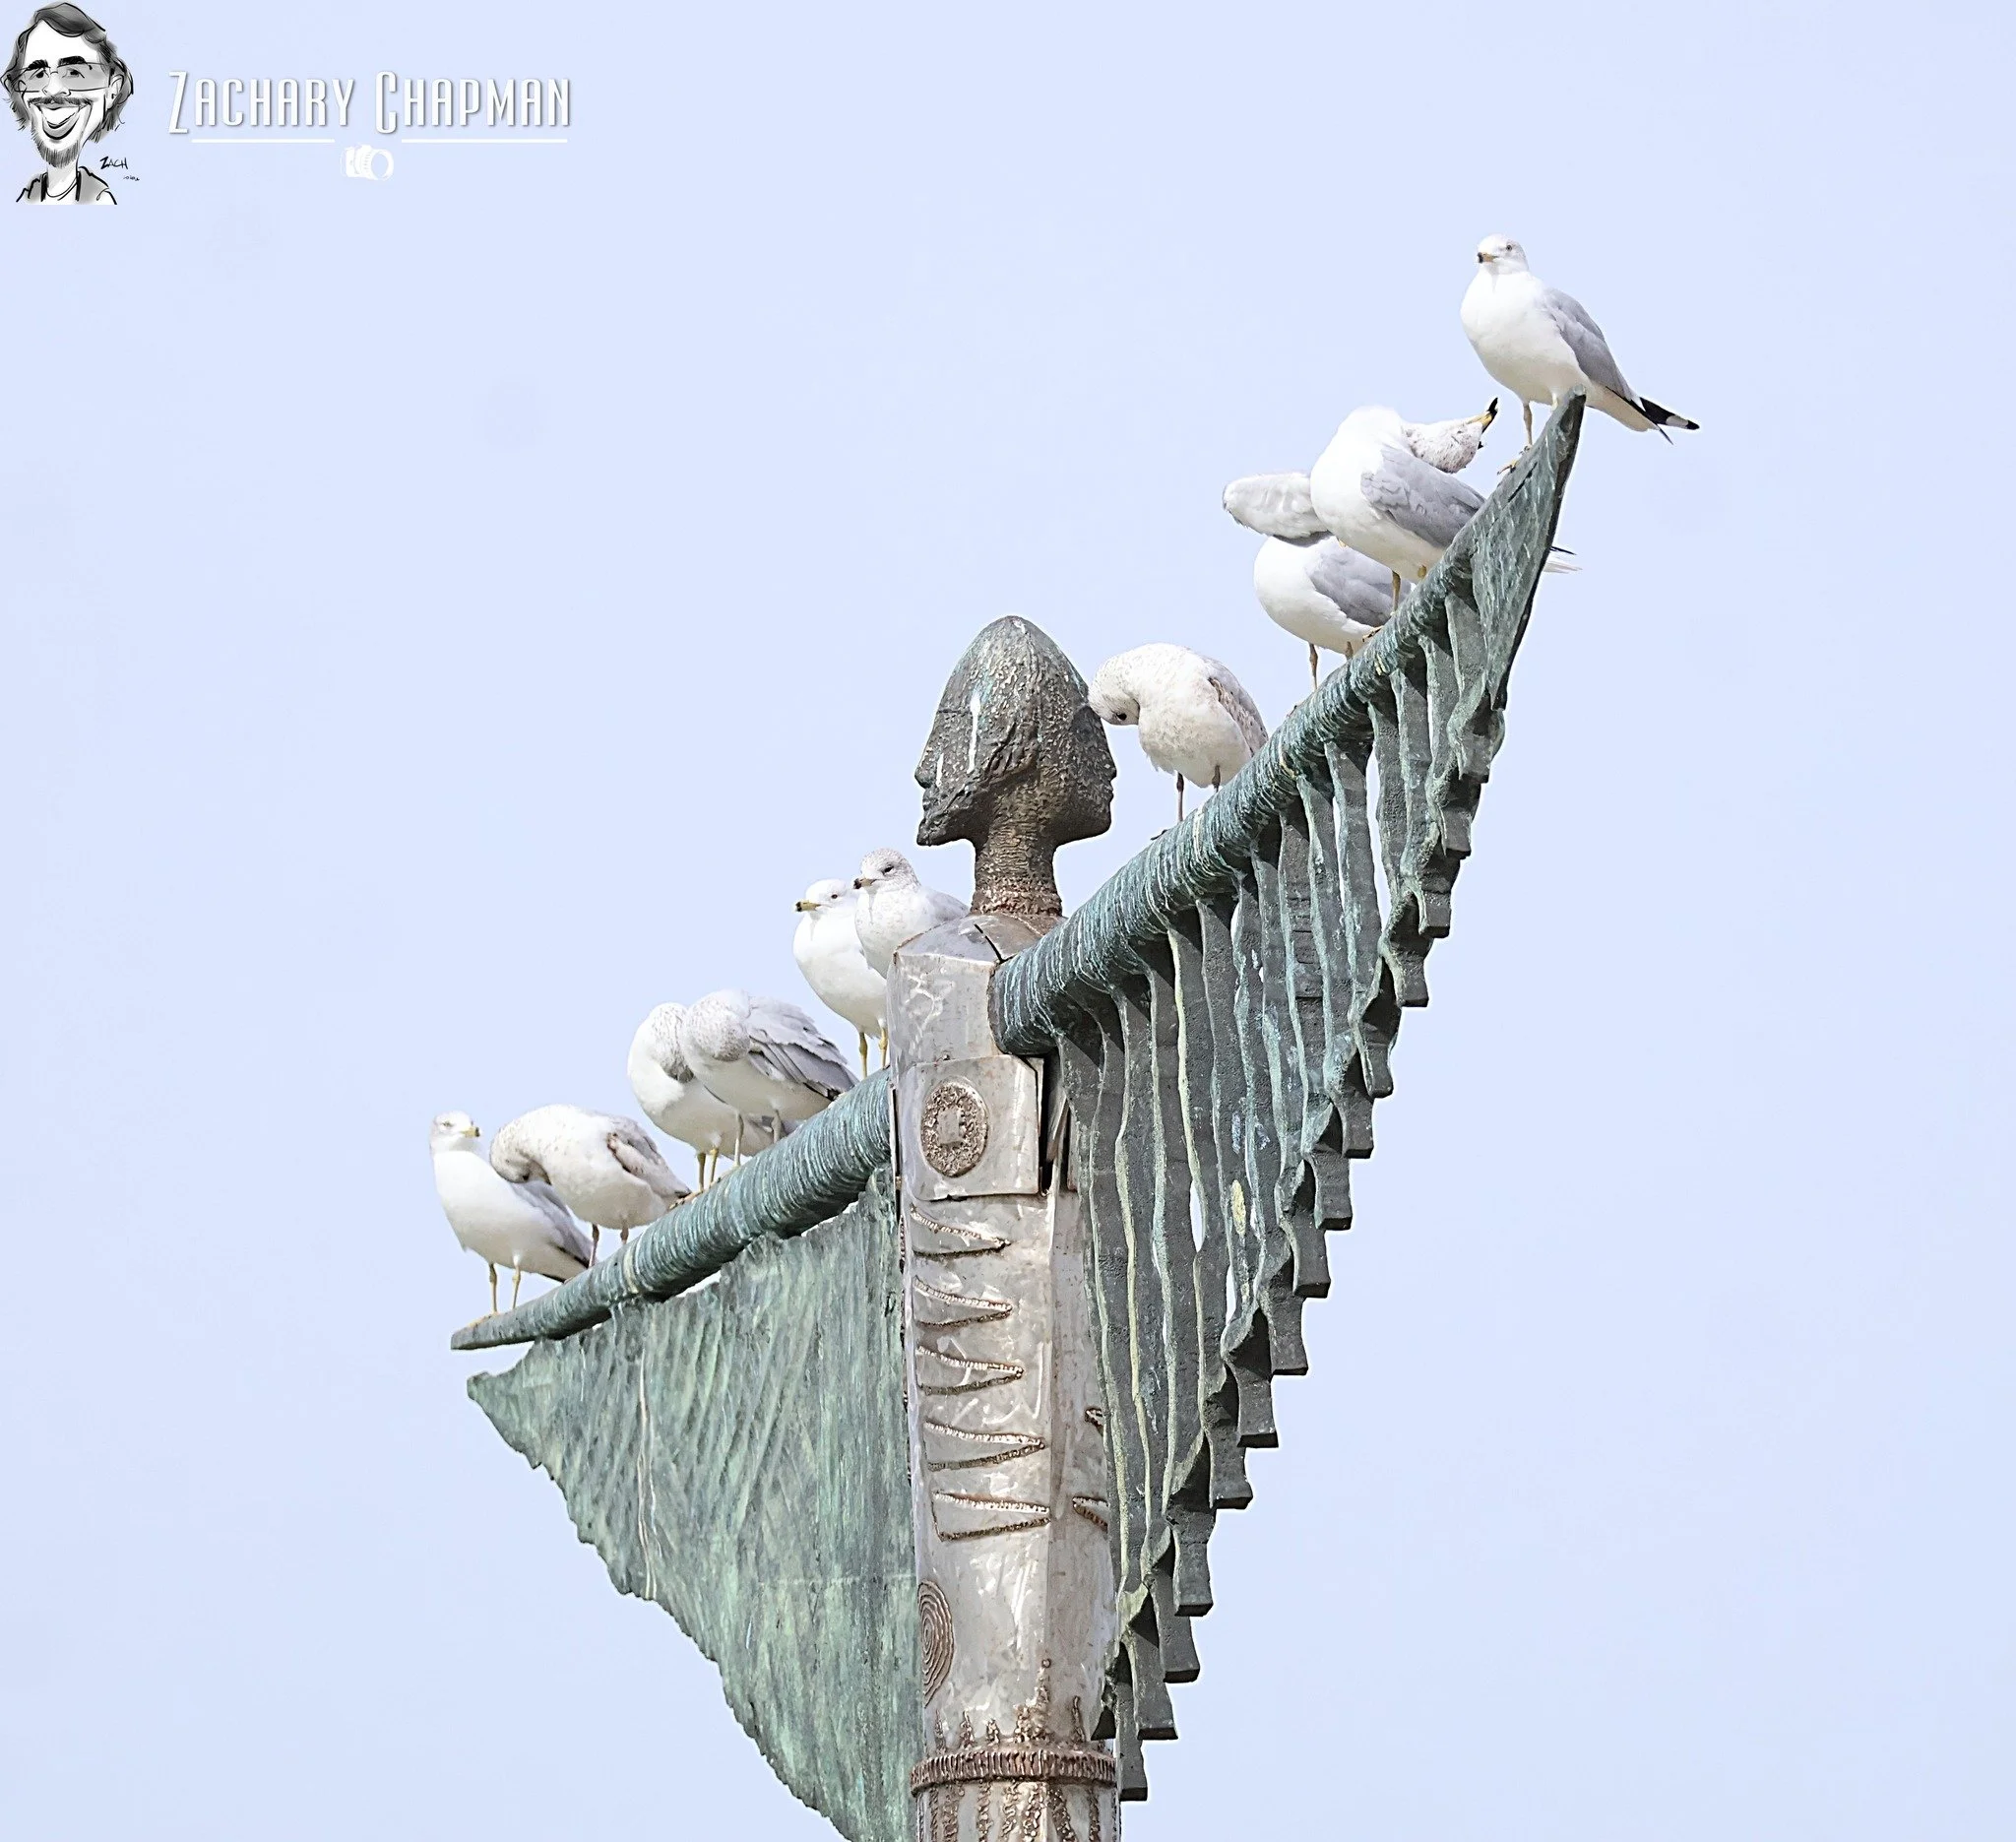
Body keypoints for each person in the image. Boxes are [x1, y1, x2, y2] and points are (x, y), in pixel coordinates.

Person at [4, 4, 129, 204]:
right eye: (37, 74)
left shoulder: (101, 202)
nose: (52, 89)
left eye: (74, 72)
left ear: (112, 89)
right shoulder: (25, 195)